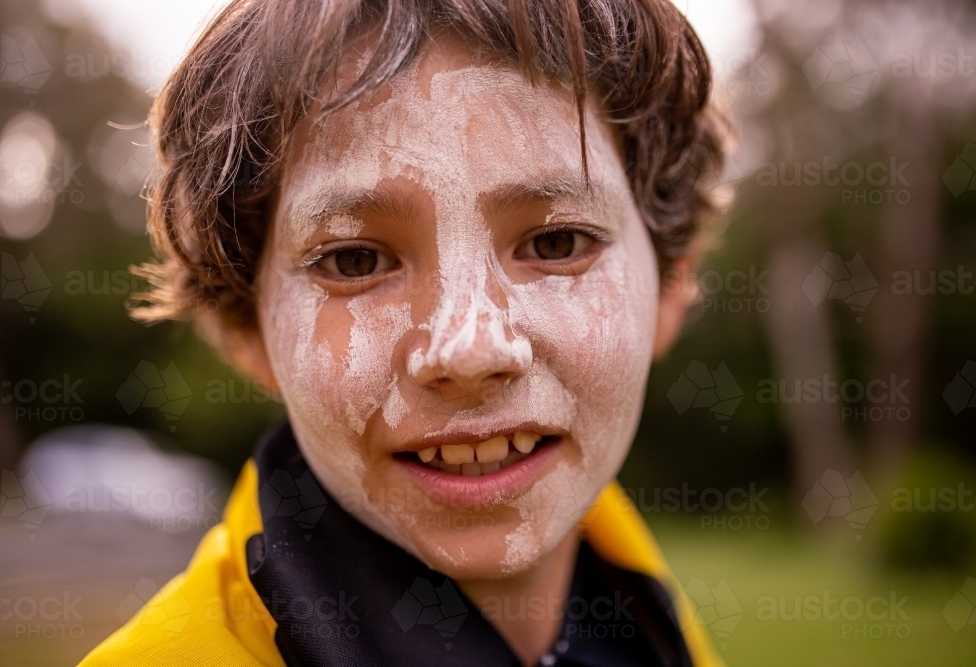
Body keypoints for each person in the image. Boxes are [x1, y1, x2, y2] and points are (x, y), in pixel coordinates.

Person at [80, 0, 728, 665]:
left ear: (670, 284)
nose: (470, 349)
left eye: (557, 241)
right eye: (354, 260)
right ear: (246, 323)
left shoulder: (647, 624)